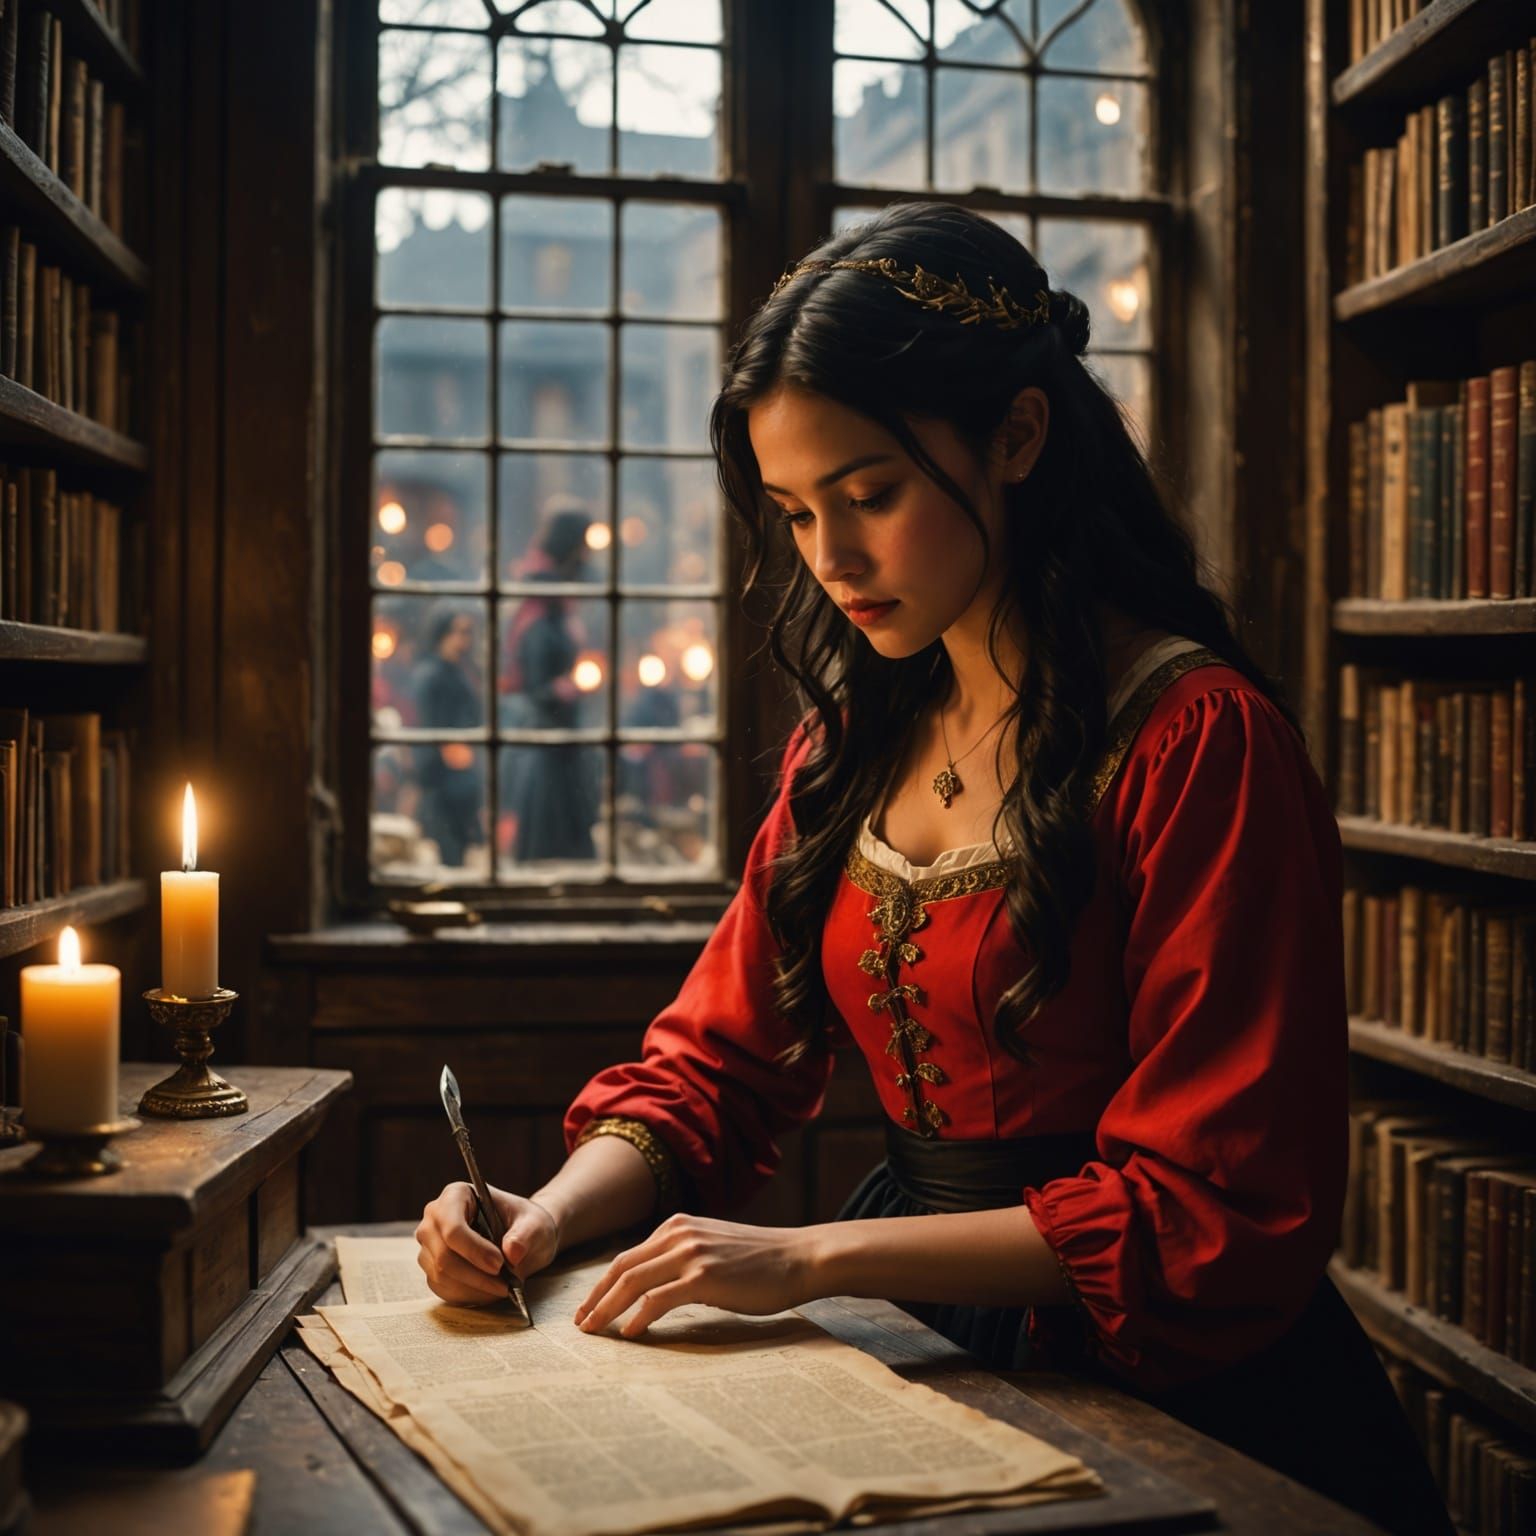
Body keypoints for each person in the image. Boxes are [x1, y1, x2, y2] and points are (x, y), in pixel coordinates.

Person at [417, 202, 1452, 1535]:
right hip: (915, 1329)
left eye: (870, 496)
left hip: (1160, 1363)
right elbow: (717, 1067)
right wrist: (547, 1219)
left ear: (1017, 435)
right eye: (796, 514)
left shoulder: (1198, 741)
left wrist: (814, 1257)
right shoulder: (851, 745)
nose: (831, 559)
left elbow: (1218, 1202)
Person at [500, 503, 601, 863]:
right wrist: (563, 687)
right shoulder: (544, 612)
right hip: (548, 740)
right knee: (551, 838)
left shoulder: (557, 603)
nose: (588, 553)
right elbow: (535, 685)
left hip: (560, 737)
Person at [411, 604, 484, 869]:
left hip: (461, 768)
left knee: (461, 838)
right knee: (445, 841)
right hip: (441, 772)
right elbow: (429, 721)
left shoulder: (462, 670)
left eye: (468, 633)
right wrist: (449, 748)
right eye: (458, 632)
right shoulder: (431, 673)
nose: (464, 640)